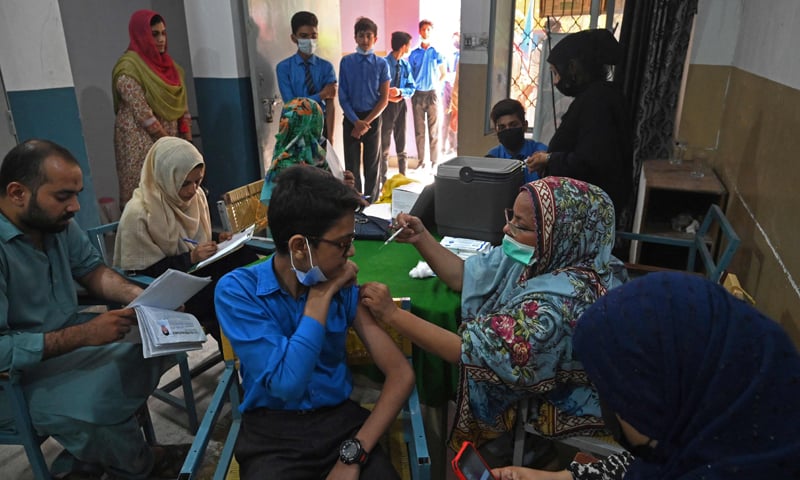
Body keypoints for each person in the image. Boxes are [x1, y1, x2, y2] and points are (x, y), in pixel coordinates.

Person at [360, 176, 625, 451]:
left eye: (520, 225)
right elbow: (465, 276)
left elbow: (468, 351)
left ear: (560, 235)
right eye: (511, 217)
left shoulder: (559, 307)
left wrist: (392, 314)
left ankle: (531, 451)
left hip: (568, 397)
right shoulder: (542, 255)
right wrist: (421, 237)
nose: (506, 228)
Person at [492, 272, 800, 480]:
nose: (607, 409)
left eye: (613, 395)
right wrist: (558, 477)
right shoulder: (722, 431)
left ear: (659, 400)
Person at [0, 139, 186, 480]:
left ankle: (90, 455)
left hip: (64, 343)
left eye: (76, 195)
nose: (74, 207)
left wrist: (139, 295)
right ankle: (141, 463)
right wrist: (85, 334)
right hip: (13, 379)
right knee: (96, 404)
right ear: (17, 193)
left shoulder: (53, 225)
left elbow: (92, 271)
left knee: (154, 342)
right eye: (62, 196)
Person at [215, 165, 414, 479]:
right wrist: (320, 297)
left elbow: (401, 374)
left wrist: (354, 454)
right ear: (298, 247)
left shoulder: (342, 286)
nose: (351, 252)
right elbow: (287, 383)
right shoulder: (238, 292)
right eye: (342, 243)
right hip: (272, 434)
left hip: (339, 424)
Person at [114, 137, 258, 344]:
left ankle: (256, 338)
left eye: (198, 181)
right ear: (164, 178)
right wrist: (190, 257)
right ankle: (239, 351)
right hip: (170, 292)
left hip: (195, 273)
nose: (193, 189)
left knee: (245, 260)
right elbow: (142, 274)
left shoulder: (195, 197)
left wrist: (218, 238)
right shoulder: (139, 214)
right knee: (228, 291)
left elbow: (190, 237)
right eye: (185, 183)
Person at [528, 29, 633, 218]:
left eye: (555, 73)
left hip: (591, 210)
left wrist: (550, 159)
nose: (554, 82)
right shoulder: (602, 95)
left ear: (573, 67)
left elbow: (590, 162)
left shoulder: (597, 101)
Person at [112, 9, 192, 208]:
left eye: (163, 33)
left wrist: (187, 143)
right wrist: (171, 147)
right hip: (140, 143)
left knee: (172, 192)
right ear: (140, 36)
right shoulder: (128, 69)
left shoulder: (171, 68)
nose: (161, 39)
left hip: (168, 140)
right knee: (144, 196)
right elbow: (144, 116)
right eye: (154, 34)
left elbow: (182, 105)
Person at [338, 17, 390, 202]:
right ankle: (354, 199)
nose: (365, 40)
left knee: (372, 163)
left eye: (369, 36)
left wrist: (365, 123)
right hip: (352, 119)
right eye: (361, 36)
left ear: (375, 39)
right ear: (355, 38)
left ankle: (371, 200)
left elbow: (384, 99)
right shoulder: (346, 62)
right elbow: (342, 96)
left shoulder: (382, 64)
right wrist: (355, 121)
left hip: (372, 119)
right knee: (351, 163)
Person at [276, 11, 338, 144]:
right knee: (296, 164)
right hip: (294, 126)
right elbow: (291, 105)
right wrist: (321, 95)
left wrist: (331, 138)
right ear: (294, 38)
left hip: (320, 125)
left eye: (313, 36)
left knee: (319, 164)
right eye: (304, 36)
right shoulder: (284, 68)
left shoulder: (326, 67)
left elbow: (331, 103)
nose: (309, 41)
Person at [408, 19, 446, 170]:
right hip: (417, 94)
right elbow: (409, 74)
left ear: (432, 31)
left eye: (428, 29)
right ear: (419, 31)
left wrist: (437, 86)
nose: (426, 32)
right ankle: (421, 161)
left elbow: (443, 73)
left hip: (432, 94)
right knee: (419, 131)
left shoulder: (436, 51)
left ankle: (434, 162)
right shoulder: (414, 54)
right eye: (423, 29)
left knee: (434, 130)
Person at [380, 31, 416, 179]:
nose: (410, 48)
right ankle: (383, 179)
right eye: (408, 45)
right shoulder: (383, 63)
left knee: (402, 142)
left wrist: (400, 92)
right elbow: (376, 87)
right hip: (384, 107)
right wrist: (388, 95)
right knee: (384, 144)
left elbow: (412, 87)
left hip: (401, 106)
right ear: (403, 46)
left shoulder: (405, 65)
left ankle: (403, 176)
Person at [487, 99, 548, 183]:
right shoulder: (492, 157)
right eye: (502, 127)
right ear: (496, 131)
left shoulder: (540, 153)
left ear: (525, 126)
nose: (508, 130)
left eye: (513, 125)